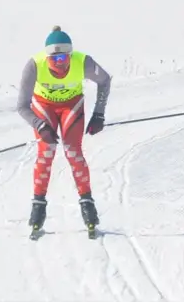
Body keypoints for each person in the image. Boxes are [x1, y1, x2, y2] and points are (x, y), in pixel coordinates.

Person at [16, 25, 112, 233]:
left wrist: (99, 114)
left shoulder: (83, 62)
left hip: (71, 105)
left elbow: (105, 80)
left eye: (64, 58)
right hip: (44, 106)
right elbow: (22, 106)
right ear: (46, 57)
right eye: (55, 59)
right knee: (46, 152)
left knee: (73, 152)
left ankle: (87, 203)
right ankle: (38, 206)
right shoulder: (34, 65)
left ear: (70, 54)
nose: (60, 64)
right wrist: (40, 125)